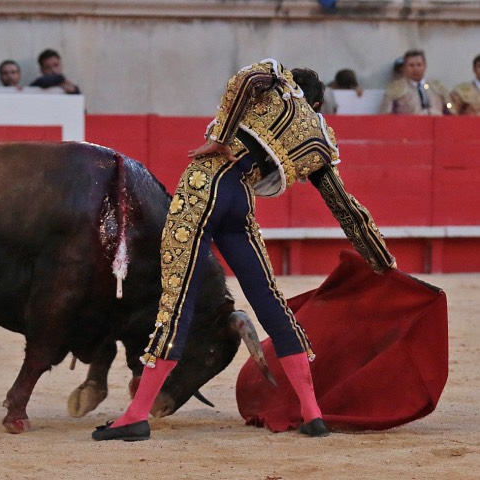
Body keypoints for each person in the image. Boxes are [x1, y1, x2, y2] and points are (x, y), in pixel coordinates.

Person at [91, 60, 396, 442]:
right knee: (271, 302)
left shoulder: (276, 85)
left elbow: (249, 77)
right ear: (317, 105)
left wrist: (220, 138)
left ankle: (136, 415)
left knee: (177, 303)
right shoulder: (318, 139)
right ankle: (312, 412)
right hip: (240, 203)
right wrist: (383, 261)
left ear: (293, 84)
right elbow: (345, 207)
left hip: (205, 187)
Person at [379, 49, 449, 115]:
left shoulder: (437, 86)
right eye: (411, 65)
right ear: (405, 68)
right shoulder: (395, 88)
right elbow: (385, 115)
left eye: (419, 65)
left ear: (425, 66)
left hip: (437, 122)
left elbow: (450, 108)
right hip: (408, 123)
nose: (416, 69)